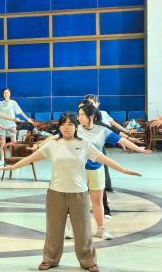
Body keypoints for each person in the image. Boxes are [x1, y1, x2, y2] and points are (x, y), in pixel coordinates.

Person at [3, 112, 142, 272]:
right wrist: (13, 167)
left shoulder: (84, 144)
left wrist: (124, 170)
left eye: (70, 124)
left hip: (79, 193)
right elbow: (31, 158)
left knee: (83, 230)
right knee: (54, 230)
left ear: (76, 127)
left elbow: (104, 159)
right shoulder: (52, 144)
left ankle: (89, 261)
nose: (66, 127)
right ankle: (50, 259)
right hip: (55, 193)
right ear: (59, 127)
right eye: (63, 124)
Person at [46, 101, 150, 240]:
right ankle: (69, 229)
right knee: (74, 201)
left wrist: (139, 149)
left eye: (82, 115)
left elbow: (121, 140)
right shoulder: (75, 129)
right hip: (78, 170)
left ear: (91, 116)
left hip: (96, 169)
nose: (79, 117)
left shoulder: (102, 130)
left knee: (97, 201)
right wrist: (39, 145)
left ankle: (101, 229)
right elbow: (55, 137)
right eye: (79, 115)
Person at [0, 87, 36, 166]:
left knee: (14, 143)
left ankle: (15, 158)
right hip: (2, 126)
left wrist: (27, 119)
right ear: (3, 94)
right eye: (5, 93)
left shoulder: (13, 103)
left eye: (7, 93)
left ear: (10, 94)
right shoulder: (0, 103)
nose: (6, 94)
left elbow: (20, 112)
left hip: (12, 126)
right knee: (2, 144)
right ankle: (2, 160)